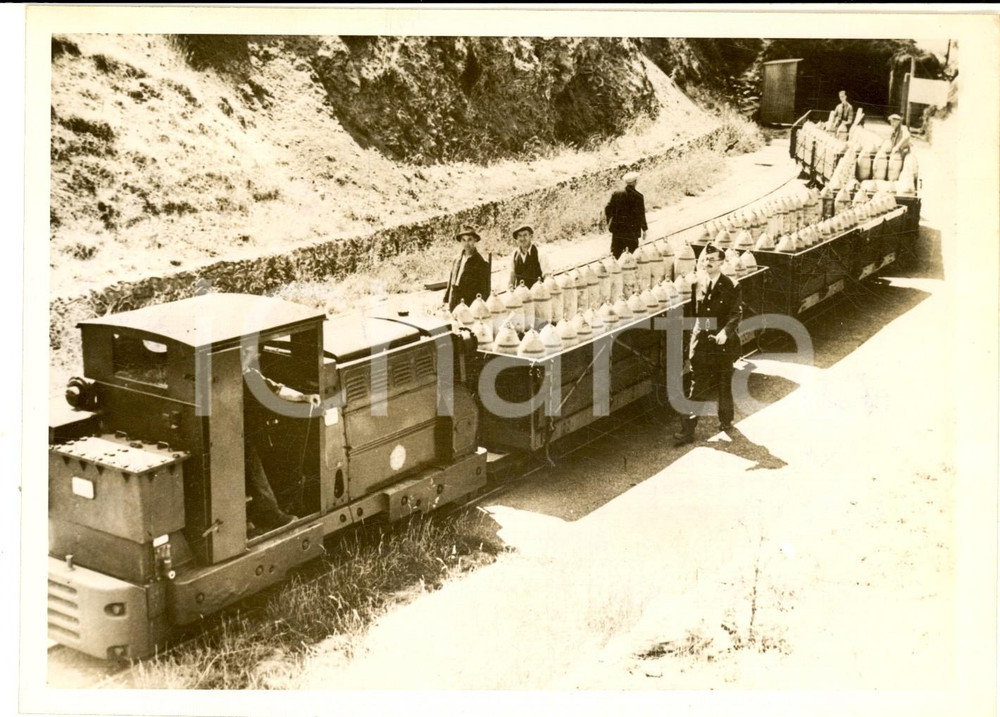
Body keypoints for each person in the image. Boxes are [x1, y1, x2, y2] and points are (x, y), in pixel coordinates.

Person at [673, 244, 743, 445]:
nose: (707, 263)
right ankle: (687, 431)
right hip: (703, 343)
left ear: (721, 263)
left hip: (723, 344)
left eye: (712, 260)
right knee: (698, 387)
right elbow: (698, 314)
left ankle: (726, 420)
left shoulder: (732, 285)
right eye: (705, 260)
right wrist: (698, 336)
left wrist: (724, 332)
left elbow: (736, 313)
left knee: (723, 384)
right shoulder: (697, 283)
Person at [242, 361, 320, 533]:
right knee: (254, 467)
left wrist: (303, 397)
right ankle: (271, 515)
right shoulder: (244, 375)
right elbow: (276, 390)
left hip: (238, 435)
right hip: (235, 439)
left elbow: (276, 389)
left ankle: (250, 517)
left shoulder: (247, 374)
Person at [443, 226, 491, 311]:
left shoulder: (481, 263)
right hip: (454, 300)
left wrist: (480, 308)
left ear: (475, 240)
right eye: (463, 240)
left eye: (469, 240)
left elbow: (485, 290)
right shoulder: (456, 260)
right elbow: (451, 282)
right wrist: (445, 300)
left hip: (469, 303)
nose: (466, 243)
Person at [604, 171, 648, 259]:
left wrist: (610, 221)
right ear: (635, 182)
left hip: (618, 230)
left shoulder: (616, 194)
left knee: (616, 255)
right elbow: (641, 214)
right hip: (632, 232)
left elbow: (607, 209)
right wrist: (644, 229)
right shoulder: (638, 196)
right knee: (632, 256)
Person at [507, 223, 551, 290]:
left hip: (538, 295)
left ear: (530, 236)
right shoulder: (514, 255)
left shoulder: (540, 253)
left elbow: (547, 277)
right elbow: (511, 278)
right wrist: (510, 290)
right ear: (517, 239)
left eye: (525, 235)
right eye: (519, 236)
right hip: (520, 295)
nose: (522, 238)